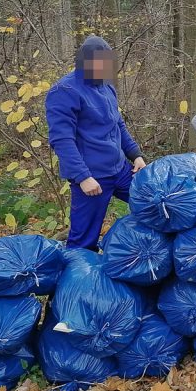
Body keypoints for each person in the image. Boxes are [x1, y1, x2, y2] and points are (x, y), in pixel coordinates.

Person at [46, 35, 146, 250]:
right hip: (93, 177)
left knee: (153, 203)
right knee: (83, 241)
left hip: (120, 170)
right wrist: (83, 177)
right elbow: (62, 140)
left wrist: (135, 155)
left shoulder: (107, 87)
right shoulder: (64, 91)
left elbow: (117, 125)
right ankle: (80, 278)